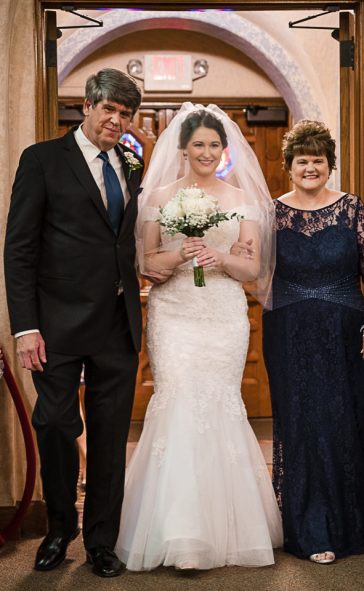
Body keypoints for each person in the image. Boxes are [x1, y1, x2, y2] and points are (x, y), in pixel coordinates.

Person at [115, 104, 281, 570]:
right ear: (183, 149)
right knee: (178, 401)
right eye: (198, 145)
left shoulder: (241, 199)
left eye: (213, 145)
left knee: (220, 405)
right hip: (175, 314)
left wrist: (218, 257)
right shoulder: (158, 196)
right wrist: (181, 252)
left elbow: (250, 269)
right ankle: (179, 533)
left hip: (224, 315)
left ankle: (226, 530)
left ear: (224, 150)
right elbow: (146, 265)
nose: (206, 152)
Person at [4, 69, 145, 577]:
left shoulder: (131, 163)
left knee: (110, 437)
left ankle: (101, 542)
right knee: (57, 423)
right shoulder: (42, 160)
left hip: (117, 324)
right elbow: (19, 250)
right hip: (55, 325)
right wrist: (25, 328)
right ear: (88, 106)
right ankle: (60, 529)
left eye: (125, 114)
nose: (116, 120)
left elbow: (121, 242)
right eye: (109, 109)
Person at [262, 120, 364, 564]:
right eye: (302, 161)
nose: (310, 168)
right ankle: (306, 528)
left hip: (342, 332)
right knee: (298, 424)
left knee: (338, 421)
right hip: (288, 332)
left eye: (318, 161)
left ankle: (346, 525)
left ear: (330, 165)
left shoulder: (353, 210)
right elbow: (255, 270)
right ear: (289, 167)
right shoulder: (271, 212)